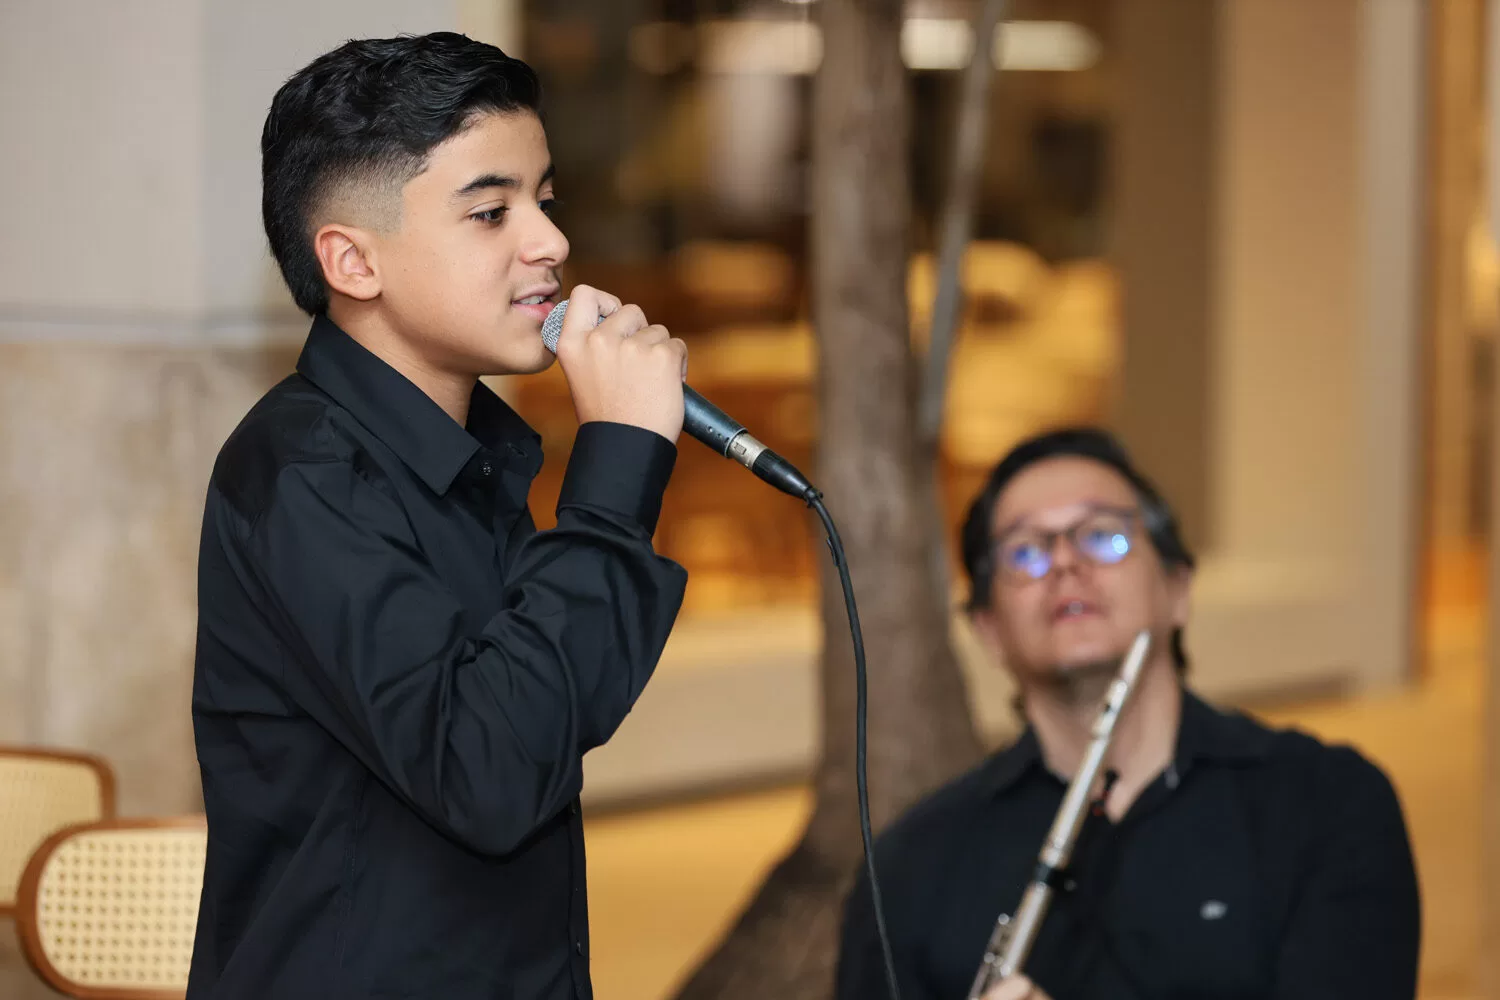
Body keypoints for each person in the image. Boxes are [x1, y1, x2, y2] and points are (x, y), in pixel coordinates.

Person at [188, 33, 690, 999]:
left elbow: (542, 724)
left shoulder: (474, 459)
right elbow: (489, 773)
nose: (549, 243)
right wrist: (616, 466)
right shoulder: (304, 474)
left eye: (544, 200)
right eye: (492, 211)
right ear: (353, 261)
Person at [835, 427, 1421, 1000]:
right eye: (1025, 551)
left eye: (1102, 536)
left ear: (1177, 588)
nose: (1065, 563)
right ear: (988, 629)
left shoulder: (1328, 802)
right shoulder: (910, 867)